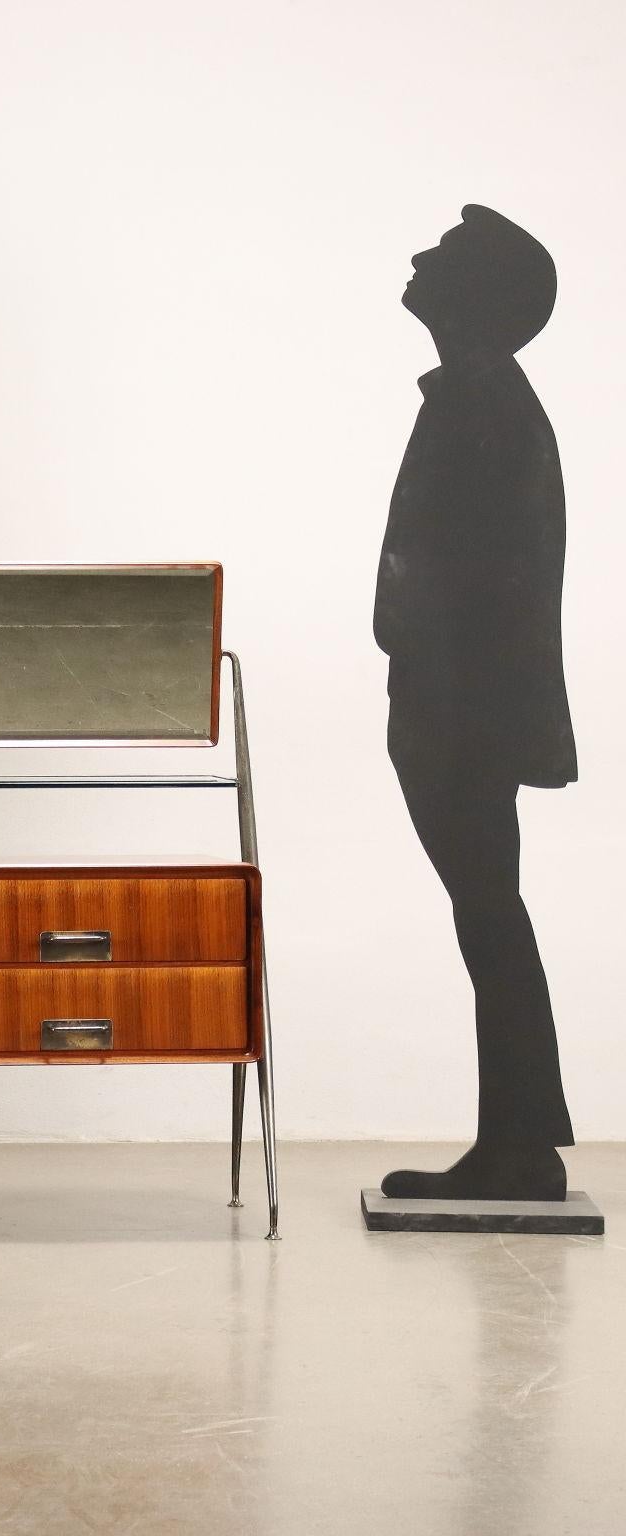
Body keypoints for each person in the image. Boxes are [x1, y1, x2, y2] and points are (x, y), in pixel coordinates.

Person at [376, 204, 576, 1201]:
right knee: (488, 913)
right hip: (456, 705)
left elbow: (502, 577)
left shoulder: (484, 402)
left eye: (445, 255)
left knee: (489, 913)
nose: (419, 257)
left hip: (464, 714)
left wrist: (439, 691)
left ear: (481, 295)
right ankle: (519, 1142)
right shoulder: (478, 397)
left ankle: (523, 1146)